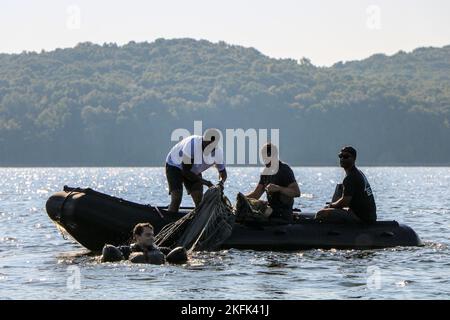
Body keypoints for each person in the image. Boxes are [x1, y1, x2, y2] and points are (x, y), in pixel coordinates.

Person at [165, 128, 227, 213]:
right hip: (175, 165)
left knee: (199, 200)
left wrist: (221, 183)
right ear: (203, 140)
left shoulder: (218, 153)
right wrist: (206, 182)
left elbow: (223, 173)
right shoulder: (192, 145)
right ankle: (170, 218)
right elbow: (185, 171)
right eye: (206, 144)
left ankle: (197, 221)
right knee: (177, 198)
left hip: (193, 170)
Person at [316, 146, 377, 224]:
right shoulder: (358, 173)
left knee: (320, 214)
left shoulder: (351, 177)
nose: (342, 159)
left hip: (361, 218)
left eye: (346, 157)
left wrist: (332, 205)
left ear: (354, 159)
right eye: (340, 156)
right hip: (369, 216)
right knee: (340, 187)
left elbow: (345, 202)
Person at [245, 143, 300, 222]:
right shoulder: (266, 172)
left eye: (265, 157)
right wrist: (241, 199)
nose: (264, 161)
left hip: (283, 214)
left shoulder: (284, 170)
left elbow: (296, 192)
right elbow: (256, 195)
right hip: (271, 210)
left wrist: (279, 188)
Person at [100, 222, 187, 264]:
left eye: (153, 235)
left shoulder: (164, 251)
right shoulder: (124, 250)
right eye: (148, 235)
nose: (152, 238)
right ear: (137, 237)